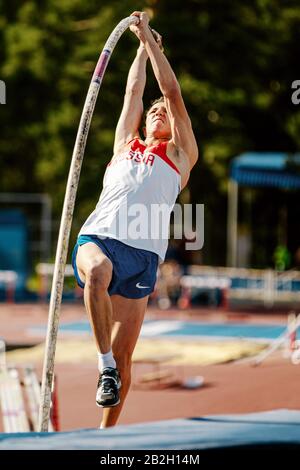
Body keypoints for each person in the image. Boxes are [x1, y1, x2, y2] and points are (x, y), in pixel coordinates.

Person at [72, 11, 198, 428]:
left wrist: (150, 41)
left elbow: (172, 92)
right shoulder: (125, 145)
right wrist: (141, 49)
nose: (160, 110)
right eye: (154, 110)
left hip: (143, 256)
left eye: (165, 111)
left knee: (127, 356)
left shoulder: (180, 157)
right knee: (97, 273)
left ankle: (105, 437)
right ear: (144, 119)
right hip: (100, 238)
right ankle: (102, 364)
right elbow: (134, 90)